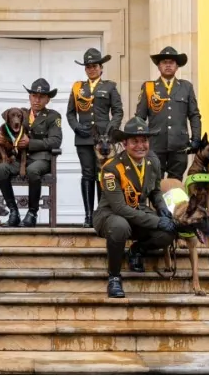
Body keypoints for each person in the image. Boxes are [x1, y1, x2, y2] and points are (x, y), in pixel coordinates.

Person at [93, 117, 177, 298]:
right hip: (110, 215)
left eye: (144, 140)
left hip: (137, 212)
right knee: (120, 226)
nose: (141, 146)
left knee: (168, 232)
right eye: (135, 141)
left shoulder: (152, 162)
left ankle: (137, 250)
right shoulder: (111, 168)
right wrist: (156, 220)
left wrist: (162, 208)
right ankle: (114, 277)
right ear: (125, 143)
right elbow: (120, 208)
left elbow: (155, 191)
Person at [66, 48, 124, 227]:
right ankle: (88, 216)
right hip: (84, 139)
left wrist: (110, 130)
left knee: (104, 174)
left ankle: (102, 214)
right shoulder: (78, 88)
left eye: (95, 66)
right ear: (85, 69)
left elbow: (117, 111)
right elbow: (70, 113)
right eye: (88, 67)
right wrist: (77, 128)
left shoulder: (110, 87)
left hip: (104, 140)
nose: (91, 69)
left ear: (101, 68)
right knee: (87, 174)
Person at [0, 78, 63, 227]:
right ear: (29, 97)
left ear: (47, 99)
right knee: (0, 169)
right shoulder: (21, 114)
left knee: (32, 170)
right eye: (34, 96)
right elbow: (3, 129)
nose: (37, 100)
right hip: (19, 159)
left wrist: (31, 143)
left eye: (41, 97)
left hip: (41, 159)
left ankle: (32, 213)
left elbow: (55, 141)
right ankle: (13, 211)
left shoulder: (53, 116)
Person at [134, 46, 201, 181]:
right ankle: (156, 204)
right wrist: (138, 142)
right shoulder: (149, 87)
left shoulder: (186, 87)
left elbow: (194, 115)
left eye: (172, 62)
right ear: (158, 66)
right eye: (164, 62)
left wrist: (196, 138)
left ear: (177, 67)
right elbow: (140, 118)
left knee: (175, 184)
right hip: (155, 144)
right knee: (154, 183)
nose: (168, 65)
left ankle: (174, 204)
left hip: (179, 144)